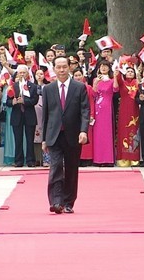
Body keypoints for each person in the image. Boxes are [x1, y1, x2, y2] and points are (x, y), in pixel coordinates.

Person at [42, 56, 90, 214]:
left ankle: (68, 201)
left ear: (69, 67)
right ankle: (56, 201)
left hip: (73, 135)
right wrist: (43, 139)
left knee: (71, 168)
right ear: (54, 68)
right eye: (58, 67)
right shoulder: (48, 89)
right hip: (54, 135)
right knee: (55, 167)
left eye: (64, 67)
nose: (61, 70)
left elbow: (85, 111)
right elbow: (46, 116)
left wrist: (83, 131)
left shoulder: (79, 87)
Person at [6, 65, 39, 167]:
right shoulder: (12, 86)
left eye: (24, 72)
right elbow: (7, 102)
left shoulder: (33, 86)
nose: (22, 75)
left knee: (30, 140)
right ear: (17, 74)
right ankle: (18, 161)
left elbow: (35, 100)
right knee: (18, 140)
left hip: (29, 115)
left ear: (27, 74)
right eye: (20, 73)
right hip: (17, 116)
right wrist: (13, 102)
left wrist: (24, 101)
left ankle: (30, 160)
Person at [113, 66, 140, 167]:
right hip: (123, 110)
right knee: (123, 132)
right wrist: (116, 72)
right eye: (128, 71)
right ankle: (123, 159)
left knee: (134, 132)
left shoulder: (138, 83)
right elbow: (117, 83)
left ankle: (134, 159)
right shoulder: (122, 82)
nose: (129, 73)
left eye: (131, 71)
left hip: (135, 111)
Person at [92, 60, 116, 166]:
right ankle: (98, 159)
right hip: (97, 107)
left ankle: (108, 159)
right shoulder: (95, 80)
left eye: (105, 66)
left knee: (107, 132)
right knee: (97, 133)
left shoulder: (111, 80)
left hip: (107, 107)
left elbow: (115, 89)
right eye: (102, 66)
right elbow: (93, 94)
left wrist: (115, 77)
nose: (103, 68)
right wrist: (96, 83)